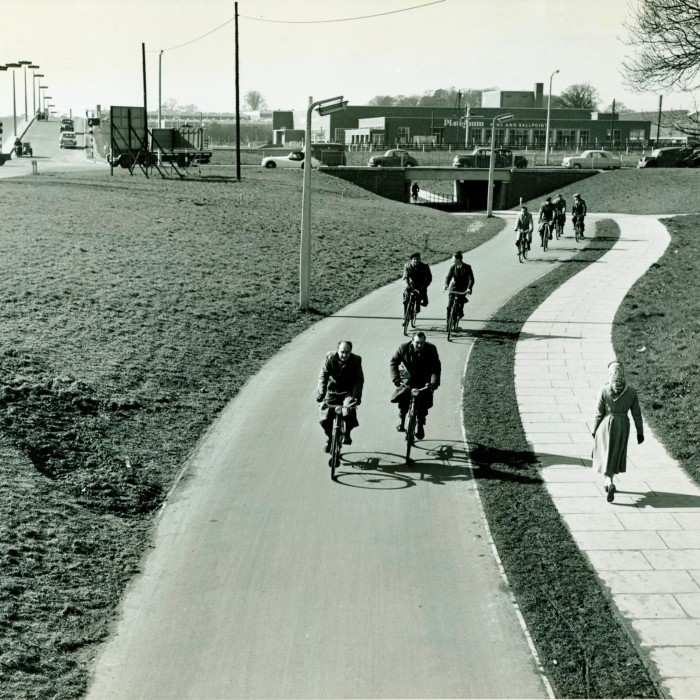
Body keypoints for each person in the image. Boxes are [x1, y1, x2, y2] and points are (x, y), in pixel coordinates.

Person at [591, 361, 644, 503]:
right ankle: (609, 480)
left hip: (605, 425)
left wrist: (594, 429)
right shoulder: (631, 392)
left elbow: (598, 413)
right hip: (623, 426)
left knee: (605, 453)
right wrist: (640, 432)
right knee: (615, 453)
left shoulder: (604, 390)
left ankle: (608, 482)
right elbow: (637, 414)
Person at [389, 331, 441, 440]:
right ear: (412, 340)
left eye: (422, 343)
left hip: (424, 379)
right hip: (408, 378)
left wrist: (433, 383)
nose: (419, 345)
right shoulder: (403, 348)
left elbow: (435, 368)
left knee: (424, 402)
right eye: (417, 342)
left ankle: (420, 425)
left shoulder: (431, 349)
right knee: (403, 397)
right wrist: (396, 378)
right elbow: (393, 362)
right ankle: (402, 420)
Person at [316, 340, 364, 452]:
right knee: (325, 419)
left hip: (348, 392)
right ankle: (329, 438)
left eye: (347, 352)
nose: (344, 355)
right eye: (342, 352)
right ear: (337, 350)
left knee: (349, 413)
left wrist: (356, 396)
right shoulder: (330, 357)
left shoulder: (356, 360)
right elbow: (323, 376)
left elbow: (359, 380)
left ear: (350, 352)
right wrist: (321, 393)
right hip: (331, 391)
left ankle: (347, 433)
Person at [444, 251, 474, 320]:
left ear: (458, 259)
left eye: (453, 258)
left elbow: (471, 279)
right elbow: (448, 277)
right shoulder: (452, 267)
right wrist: (446, 285)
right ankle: (448, 323)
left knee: (460, 303)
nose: (452, 260)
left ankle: (460, 313)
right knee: (449, 305)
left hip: (463, 287)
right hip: (454, 286)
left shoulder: (467, 267)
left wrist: (469, 288)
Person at [402, 252, 432, 319]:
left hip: (421, 284)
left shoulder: (424, 266)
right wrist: (407, 285)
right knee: (406, 296)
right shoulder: (407, 266)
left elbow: (429, 278)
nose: (416, 261)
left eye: (417, 259)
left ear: (419, 259)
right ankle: (406, 316)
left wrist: (425, 285)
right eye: (414, 259)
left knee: (420, 295)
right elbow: (405, 277)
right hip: (411, 284)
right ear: (411, 260)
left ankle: (417, 307)